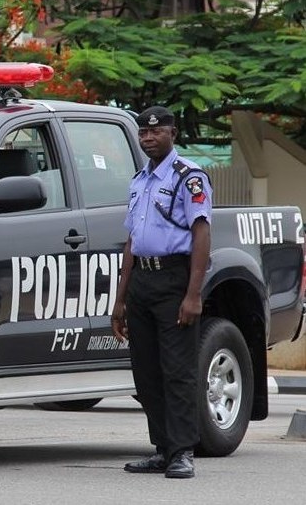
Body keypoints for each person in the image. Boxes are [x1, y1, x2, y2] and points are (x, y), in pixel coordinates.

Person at [110, 105, 212, 479]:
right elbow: (131, 242)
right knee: (147, 372)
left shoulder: (190, 177)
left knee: (177, 371)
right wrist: (120, 300)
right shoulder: (139, 180)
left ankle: (183, 451)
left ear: (172, 133)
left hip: (174, 280)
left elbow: (201, 233)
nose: (149, 138)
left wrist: (193, 294)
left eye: (157, 131)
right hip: (142, 282)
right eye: (143, 133)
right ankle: (163, 448)